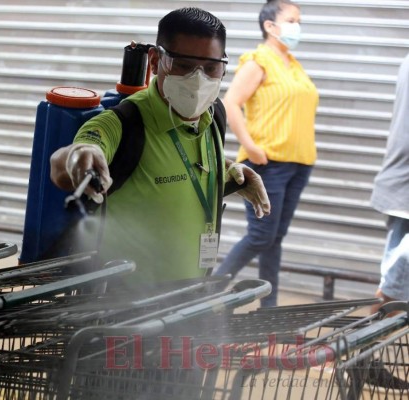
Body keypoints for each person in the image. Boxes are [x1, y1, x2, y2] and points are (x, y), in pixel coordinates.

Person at [49, 7, 270, 288]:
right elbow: (70, 159)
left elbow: (180, 168)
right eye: (183, 66)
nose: (198, 79)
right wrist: (77, 156)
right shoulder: (123, 122)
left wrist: (229, 175)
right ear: (155, 61)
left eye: (211, 68)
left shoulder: (214, 115)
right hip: (124, 308)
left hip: (192, 293)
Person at [212, 0, 319, 307]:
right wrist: (252, 146)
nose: (297, 26)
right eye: (292, 20)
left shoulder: (293, 64)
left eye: (299, 20)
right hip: (268, 163)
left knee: (273, 240)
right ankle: (206, 294)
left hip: (299, 163)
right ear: (270, 26)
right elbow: (231, 103)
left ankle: (267, 309)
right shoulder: (258, 61)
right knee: (261, 236)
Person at [369, 53, 409, 314]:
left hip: (401, 185)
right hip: (405, 187)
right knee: (395, 288)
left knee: (396, 284)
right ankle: (364, 347)